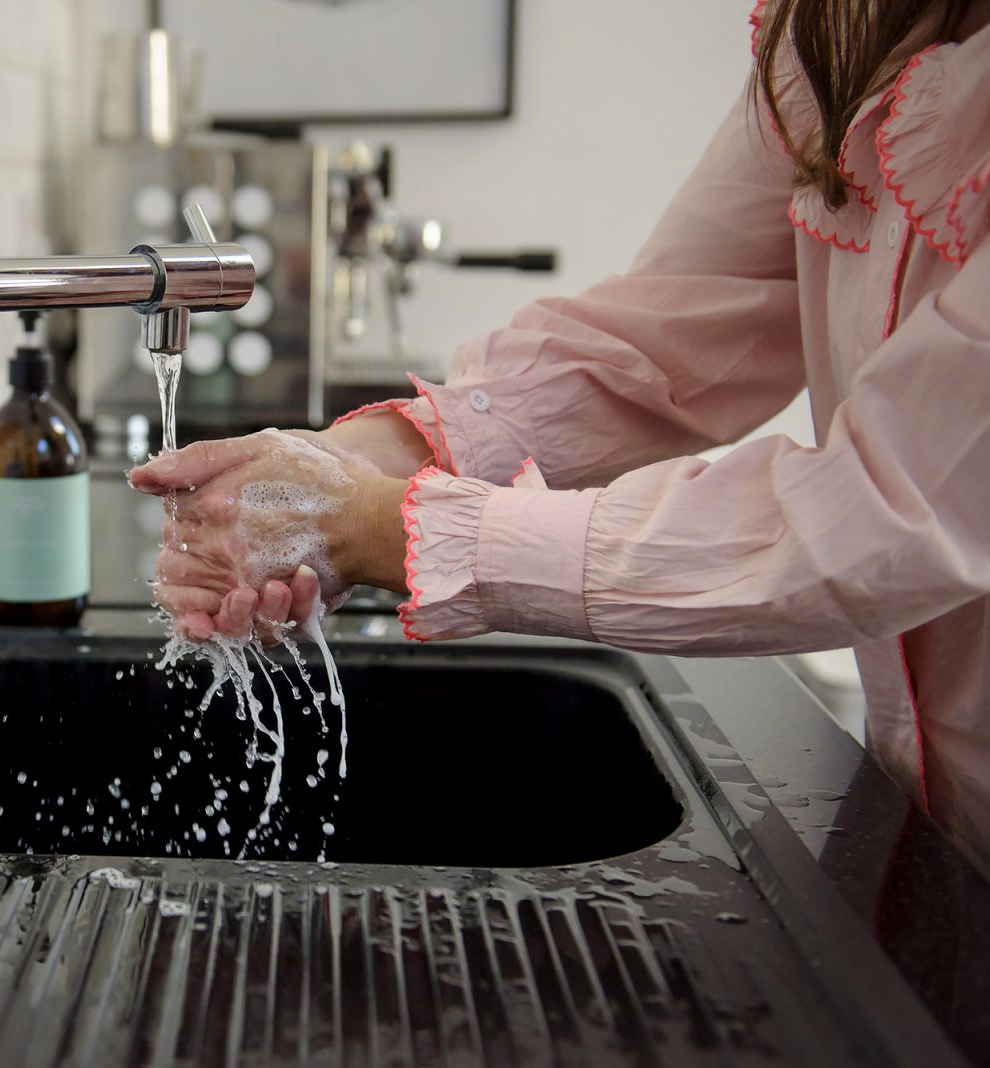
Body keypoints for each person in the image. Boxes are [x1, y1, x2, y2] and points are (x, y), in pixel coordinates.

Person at [129, 0, 990, 875]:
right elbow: (665, 334)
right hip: (922, 814)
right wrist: (363, 460)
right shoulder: (844, 31)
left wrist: (374, 524)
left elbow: (888, 511)